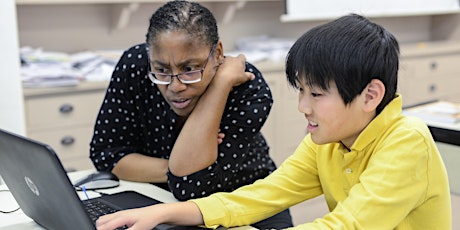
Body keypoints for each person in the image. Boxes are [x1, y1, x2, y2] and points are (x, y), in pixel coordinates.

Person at [96, 13, 452, 230]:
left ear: (370, 96)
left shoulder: (407, 140)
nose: (303, 108)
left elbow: (349, 225)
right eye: (301, 92)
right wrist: (164, 213)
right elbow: (263, 194)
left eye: (315, 95)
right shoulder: (326, 142)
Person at [89, 0, 292, 229]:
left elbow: (192, 187)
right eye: (162, 70)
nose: (175, 86)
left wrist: (220, 85)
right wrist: (183, 164)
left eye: (189, 69)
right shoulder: (136, 66)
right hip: (159, 196)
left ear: (217, 54)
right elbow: (106, 156)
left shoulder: (247, 87)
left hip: (246, 199)